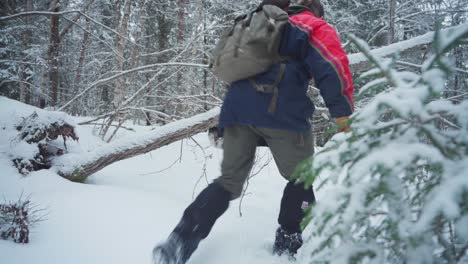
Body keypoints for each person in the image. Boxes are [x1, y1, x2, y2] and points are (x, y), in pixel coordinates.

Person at [153, 0, 354, 263]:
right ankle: (287, 245)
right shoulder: (312, 25)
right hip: (284, 112)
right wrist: (342, 116)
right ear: (315, 10)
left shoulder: (259, 21)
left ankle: (180, 240)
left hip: (237, 111)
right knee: (301, 177)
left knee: (228, 182)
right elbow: (333, 67)